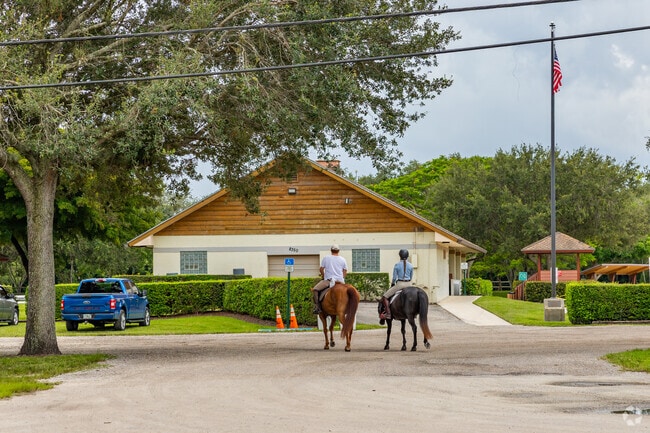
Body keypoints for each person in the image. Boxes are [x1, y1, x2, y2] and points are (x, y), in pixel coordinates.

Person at [311, 244, 348, 314]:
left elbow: (321, 269)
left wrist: (324, 275)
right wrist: (342, 278)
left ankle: (317, 308)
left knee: (315, 289)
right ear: (338, 251)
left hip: (329, 280)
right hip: (341, 282)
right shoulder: (343, 259)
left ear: (331, 251)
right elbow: (345, 270)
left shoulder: (326, 258)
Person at [379, 249, 414, 320]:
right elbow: (411, 276)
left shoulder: (397, 265)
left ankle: (388, 314)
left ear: (400, 256)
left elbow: (394, 277)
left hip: (400, 284)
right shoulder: (411, 265)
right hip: (409, 284)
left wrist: (392, 284)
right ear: (407, 256)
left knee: (385, 297)